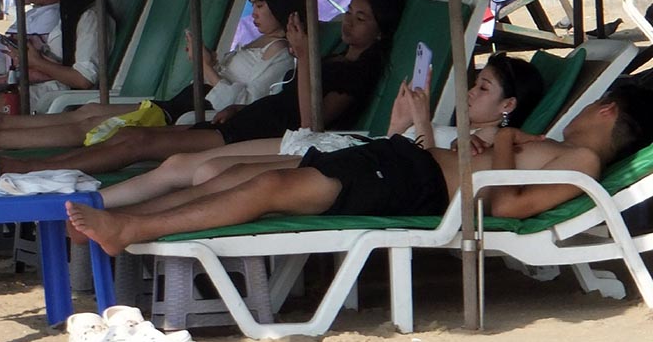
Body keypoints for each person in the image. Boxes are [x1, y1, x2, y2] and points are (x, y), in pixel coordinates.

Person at [66, 84, 653, 256]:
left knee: (269, 186)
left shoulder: (583, 160)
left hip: (417, 186)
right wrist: (494, 144)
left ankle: (131, 228)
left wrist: (500, 140)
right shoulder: (561, 150)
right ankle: (126, 218)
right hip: (406, 164)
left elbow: (506, 204)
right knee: (237, 178)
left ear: (607, 110)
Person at [0, 0, 406, 176]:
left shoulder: (354, 73)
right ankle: (35, 167)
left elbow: (309, 120)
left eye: (360, 18)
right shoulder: (334, 57)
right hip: (243, 118)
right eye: (348, 13)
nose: (347, 22)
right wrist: (240, 106)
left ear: (380, 32)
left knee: (136, 142)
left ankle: (31, 169)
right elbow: (278, 96)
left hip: (261, 134)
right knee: (127, 137)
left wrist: (302, 59)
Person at [99, 51, 544, 209]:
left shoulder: (485, 144)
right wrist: (403, 120)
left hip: (359, 163)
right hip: (360, 152)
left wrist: (421, 124)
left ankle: (127, 214)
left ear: (508, 105)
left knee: (210, 172)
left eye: (483, 88)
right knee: (188, 164)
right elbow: (400, 146)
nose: (471, 91)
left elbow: (419, 169)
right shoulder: (462, 131)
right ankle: (97, 202)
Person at [0, 0, 304, 150]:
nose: (254, 13)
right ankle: (2, 125)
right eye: (254, 5)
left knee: (91, 124)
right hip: (183, 101)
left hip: (192, 113)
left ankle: (1, 137)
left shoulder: (282, 58)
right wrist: (208, 64)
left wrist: (207, 69)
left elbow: (249, 104)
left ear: (279, 4)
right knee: (90, 111)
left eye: (260, 6)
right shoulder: (257, 44)